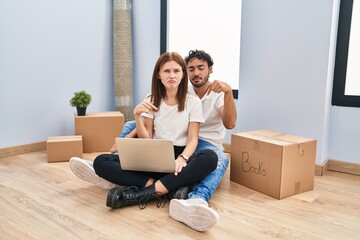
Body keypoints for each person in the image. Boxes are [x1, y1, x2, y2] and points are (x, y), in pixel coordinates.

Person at [70, 50, 236, 231]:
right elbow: (147, 138)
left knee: (211, 157)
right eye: (167, 71)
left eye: (176, 71)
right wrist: (136, 116)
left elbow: (195, 139)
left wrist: (183, 158)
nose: (172, 75)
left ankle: (140, 194)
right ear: (159, 74)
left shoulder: (193, 101)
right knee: (102, 161)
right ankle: (170, 191)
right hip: (155, 154)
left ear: (182, 74)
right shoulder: (152, 99)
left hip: (180, 156)